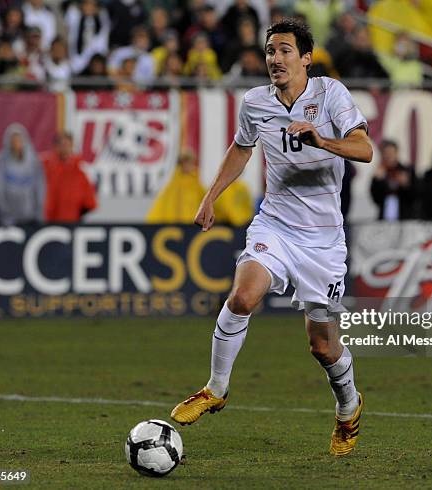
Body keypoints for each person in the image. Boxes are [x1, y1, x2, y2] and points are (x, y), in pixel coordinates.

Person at [170, 20, 373, 457]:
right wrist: (211, 196)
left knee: (322, 345)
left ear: (305, 58)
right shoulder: (255, 102)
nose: (274, 59)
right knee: (242, 297)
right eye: (268, 51)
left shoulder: (330, 94)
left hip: (323, 240)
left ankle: (348, 407)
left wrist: (322, 138)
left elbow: (364, 149)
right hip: (275, 225)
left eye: (283, 50)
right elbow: (242, 148)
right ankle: (215, 388)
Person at [0, 123, 46, 225]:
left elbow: (40, 188)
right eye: (13, 141)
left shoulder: (34, 163)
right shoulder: (0, 162)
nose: (16, 144)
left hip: (29, 218)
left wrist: (38, 211)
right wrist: (3, 213)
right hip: (6, 220)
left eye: (19, 140)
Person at [43, 131, 97, 222]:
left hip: (73, 220)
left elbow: (90, 200)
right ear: (55, 147)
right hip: (49, 219)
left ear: (72, 146)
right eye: (62, 145)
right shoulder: (46, 167)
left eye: (67, 145)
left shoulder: (80, 169)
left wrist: (78, 213)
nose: (65, 148)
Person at [146, 149, 205, 223]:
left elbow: (204, 199)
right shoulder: (174, 184)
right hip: (176, 224)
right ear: (182, 164)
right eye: (189, 163)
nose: (192, 166)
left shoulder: (195, 182)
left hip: (191, 224)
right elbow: (165, 205)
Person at [370, 139, 417, 220]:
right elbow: (375, 199)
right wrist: (377, 181)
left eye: (391, 153)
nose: (389, 156)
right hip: (385, 217)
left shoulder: (407, 170)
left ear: (396, 153)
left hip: (405, 217)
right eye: (386, 153)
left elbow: (416, 196)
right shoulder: (380, 171)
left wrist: (406, 185)